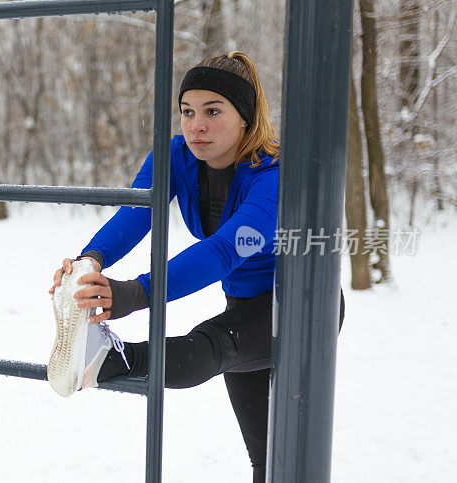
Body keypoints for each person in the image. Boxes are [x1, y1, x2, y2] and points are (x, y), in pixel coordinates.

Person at [47, 51, 345, 483]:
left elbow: (226, 249)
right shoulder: (177, 155)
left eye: (213, 111)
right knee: (267, 461)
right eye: (187, 111)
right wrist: (88, 261)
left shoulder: (277, 175)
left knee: (206, 348)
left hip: (302, 306)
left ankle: (109, 360)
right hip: (243, 305)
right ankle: (98, 358)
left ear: (245, 117)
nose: (196, 126)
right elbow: (138, 210)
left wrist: (137, 292)